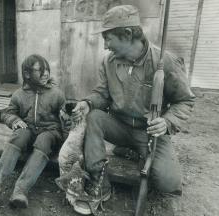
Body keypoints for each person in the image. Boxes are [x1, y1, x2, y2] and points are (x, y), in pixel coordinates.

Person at [71, 4, 195, 214]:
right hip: (118, 126)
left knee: (168, 183)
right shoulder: (108, 62)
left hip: (149, 132)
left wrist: (166, 121)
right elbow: (102, 94)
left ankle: (134, 151)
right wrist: (88, 103)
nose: (106, 45)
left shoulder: (164, 62)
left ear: (127, 34)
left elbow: (185, 101)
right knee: (94, 117)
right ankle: (100, 182)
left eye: (108, 38)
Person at [0, 54, 66, 208]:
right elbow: (7, 113)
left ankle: (21, 190)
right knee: (19, 135)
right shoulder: (19, 94)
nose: (46, 73)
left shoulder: (56, 94)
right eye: (40, 70)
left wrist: (66, 131)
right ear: (27, 74)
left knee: (43, 140)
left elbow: (65, 120)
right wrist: (15, 120)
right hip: (29, 129)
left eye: (47, 69)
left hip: (50, 132)